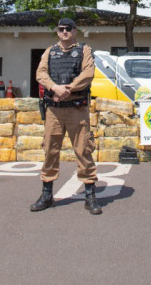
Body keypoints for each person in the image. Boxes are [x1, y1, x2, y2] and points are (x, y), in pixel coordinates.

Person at [30, 17, 101, 215]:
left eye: (68, 29)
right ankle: (46, 195)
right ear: (57, 31)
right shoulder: (50, 51)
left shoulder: (84, 50)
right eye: (61, 29)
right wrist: (54, 87)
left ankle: (90, 196)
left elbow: (88, 73)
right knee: (50, 151)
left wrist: (67, 89)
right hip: (54, 110)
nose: (64, 32)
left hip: (76, 109)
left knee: (83, 150)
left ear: (75, 31)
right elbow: (41, 73)